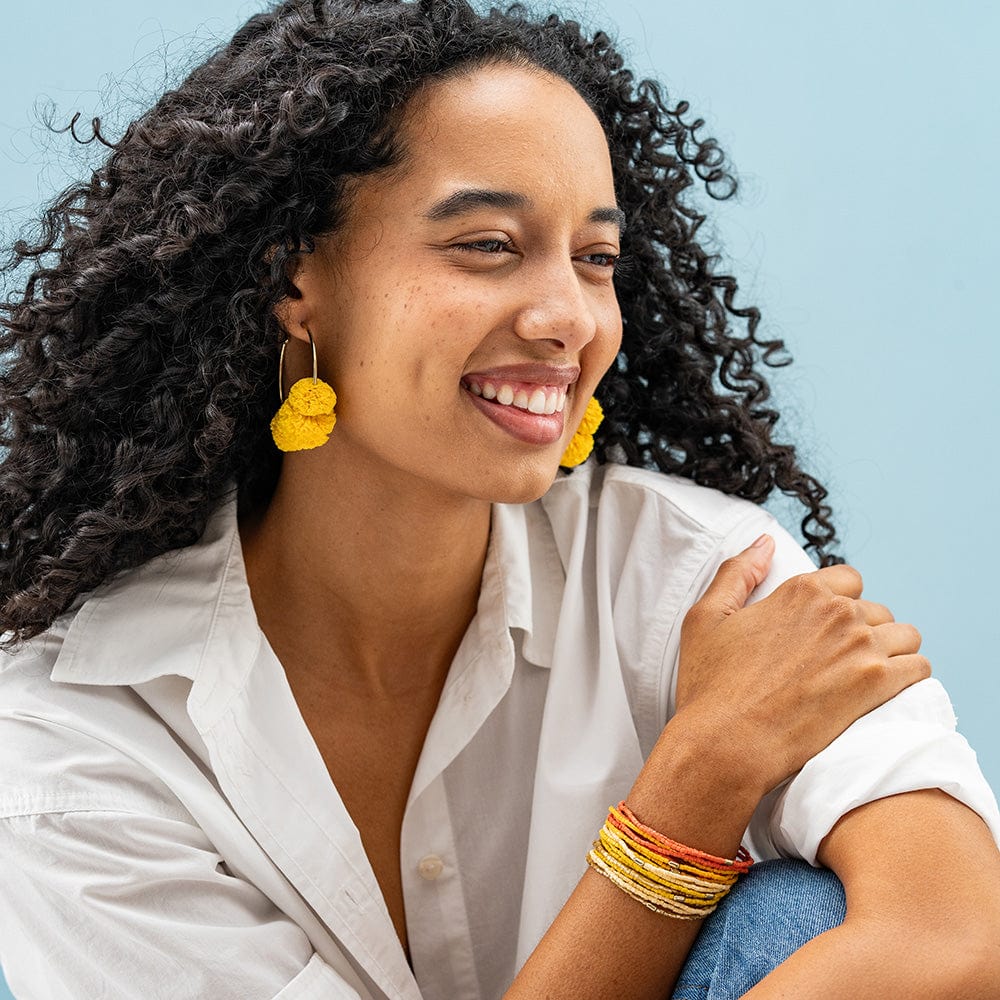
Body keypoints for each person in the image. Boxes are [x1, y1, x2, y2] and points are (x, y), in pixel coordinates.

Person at [1, 1, 998, 997]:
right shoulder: (78, 734)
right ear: (292, 281)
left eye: (595, 259)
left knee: (797, 920)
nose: (569, 318)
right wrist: (697, 779)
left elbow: (958, 937)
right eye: (487, 244)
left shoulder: (700, 579)